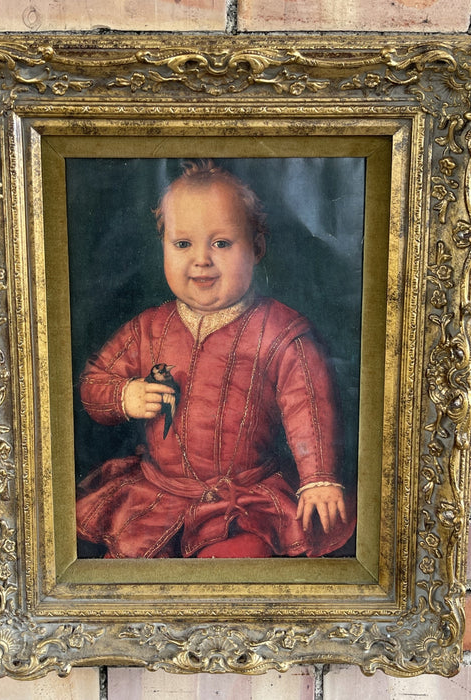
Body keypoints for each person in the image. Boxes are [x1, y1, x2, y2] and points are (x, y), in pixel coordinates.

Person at [76, 160, 355, 558]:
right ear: (164, 246)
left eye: (221, 243)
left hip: (244, 503)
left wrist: (319, 477)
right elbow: (93, 384)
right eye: (183, 244)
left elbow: (309, 406)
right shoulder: (147, 328)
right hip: (158, 495)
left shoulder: (281, 331)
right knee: (131, 576)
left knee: (238, 571)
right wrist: (124, 396)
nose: (201, 260)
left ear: (256, 248)